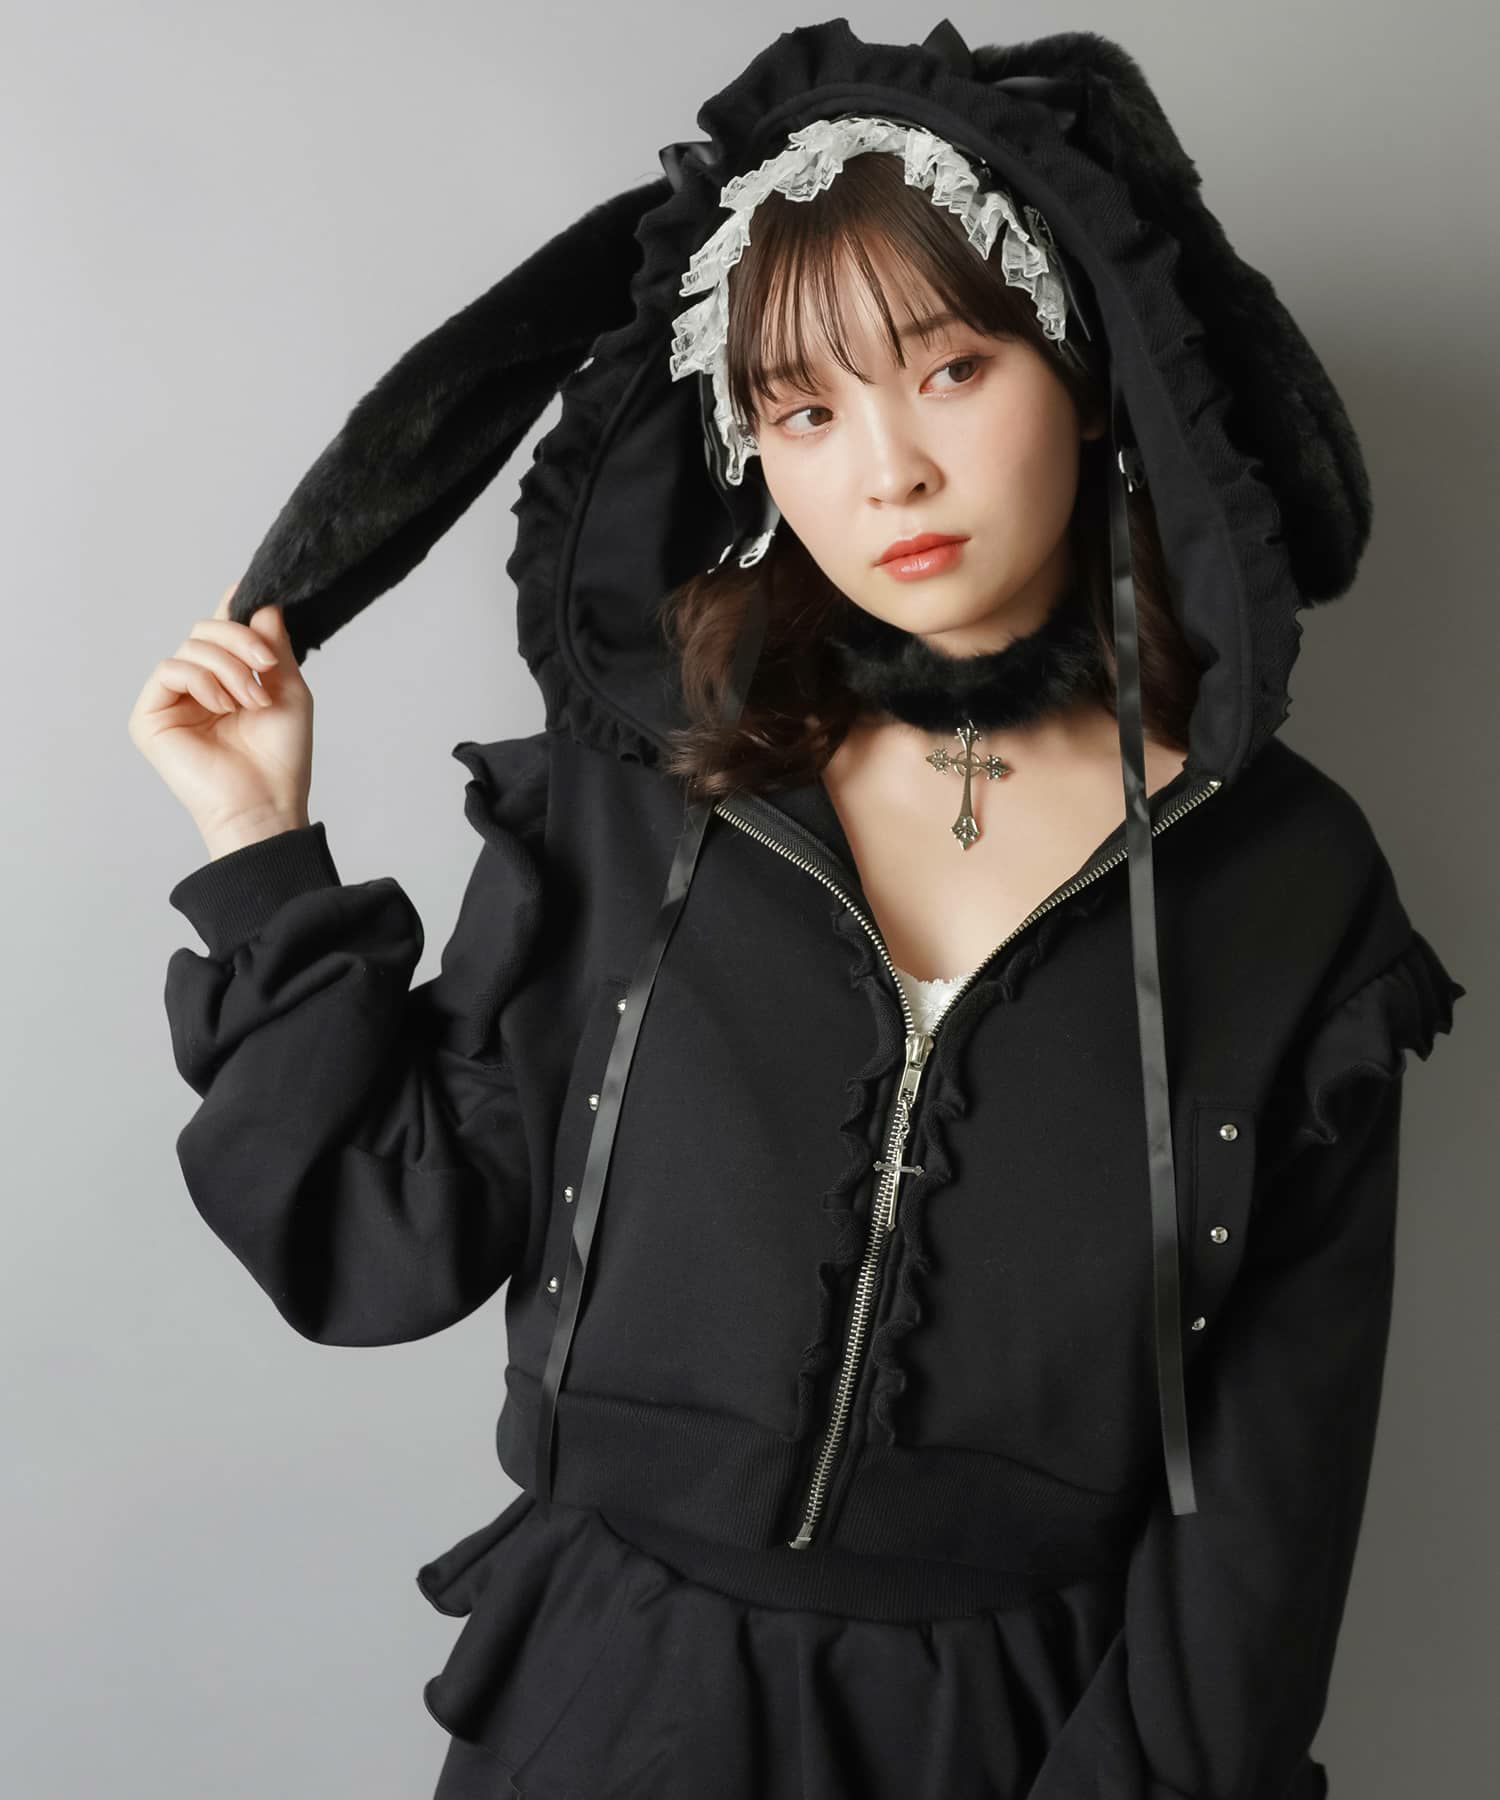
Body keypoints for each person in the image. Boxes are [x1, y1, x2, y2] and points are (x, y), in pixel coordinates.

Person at [128, 18, 1466, 1800]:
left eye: (953, 368)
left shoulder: (1284, 876)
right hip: (612, 1712)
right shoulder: (642, 791)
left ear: (1086, 373)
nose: (887, 470)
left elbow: (1276, 1476)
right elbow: (392, 1233)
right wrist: (256, 845)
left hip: (1034, 1734)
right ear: (750, 444)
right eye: (805, 409)